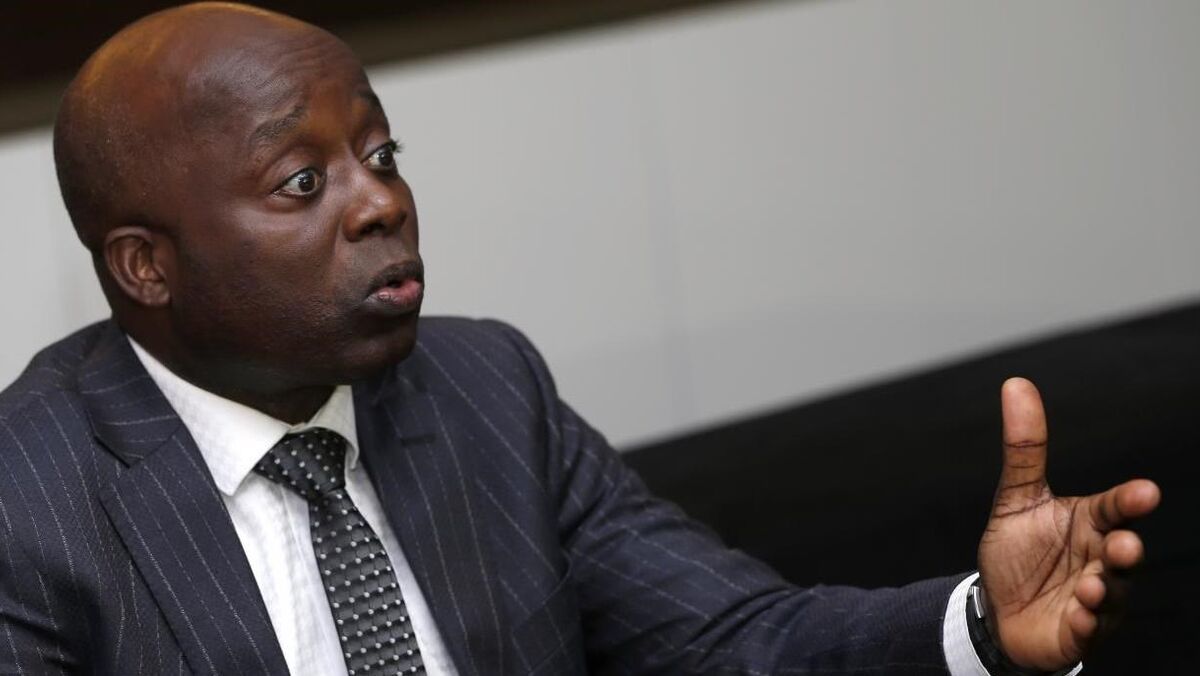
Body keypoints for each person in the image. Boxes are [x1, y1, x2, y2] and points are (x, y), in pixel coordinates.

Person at [0, 3, 1160, 675]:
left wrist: (977, 624)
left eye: (382, 154)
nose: (380, 202)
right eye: (304, 181)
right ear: (145, 266)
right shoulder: (30, 501)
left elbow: (732, 638)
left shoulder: (482, 388)